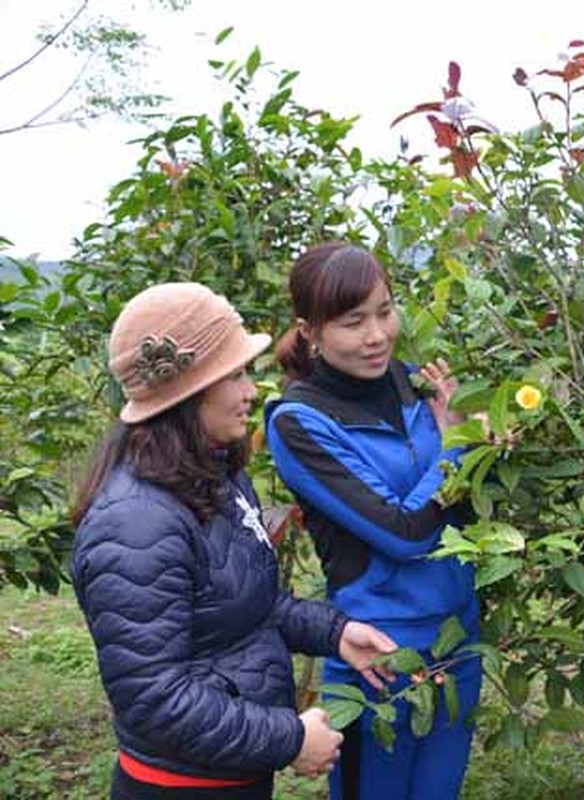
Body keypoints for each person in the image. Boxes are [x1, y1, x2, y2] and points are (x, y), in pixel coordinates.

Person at [72, 283, 400, 800]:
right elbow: (154, 700)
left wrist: (333, 632)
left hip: (233, 773)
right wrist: (290, 738)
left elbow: (249, 603)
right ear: (187, 390)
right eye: (235, 374)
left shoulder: (212, 477)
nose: (251, 390)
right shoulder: (133, 525)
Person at [265, 243, 480, 800]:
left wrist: (489, 443)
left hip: (457, 641)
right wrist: (459, 444)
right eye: (353, 322)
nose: (377, 335)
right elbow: (402, 533)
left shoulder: (416, 382)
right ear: (310, 331)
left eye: (385, 311)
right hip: (378, 656)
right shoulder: (300, 421)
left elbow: (466, 512)